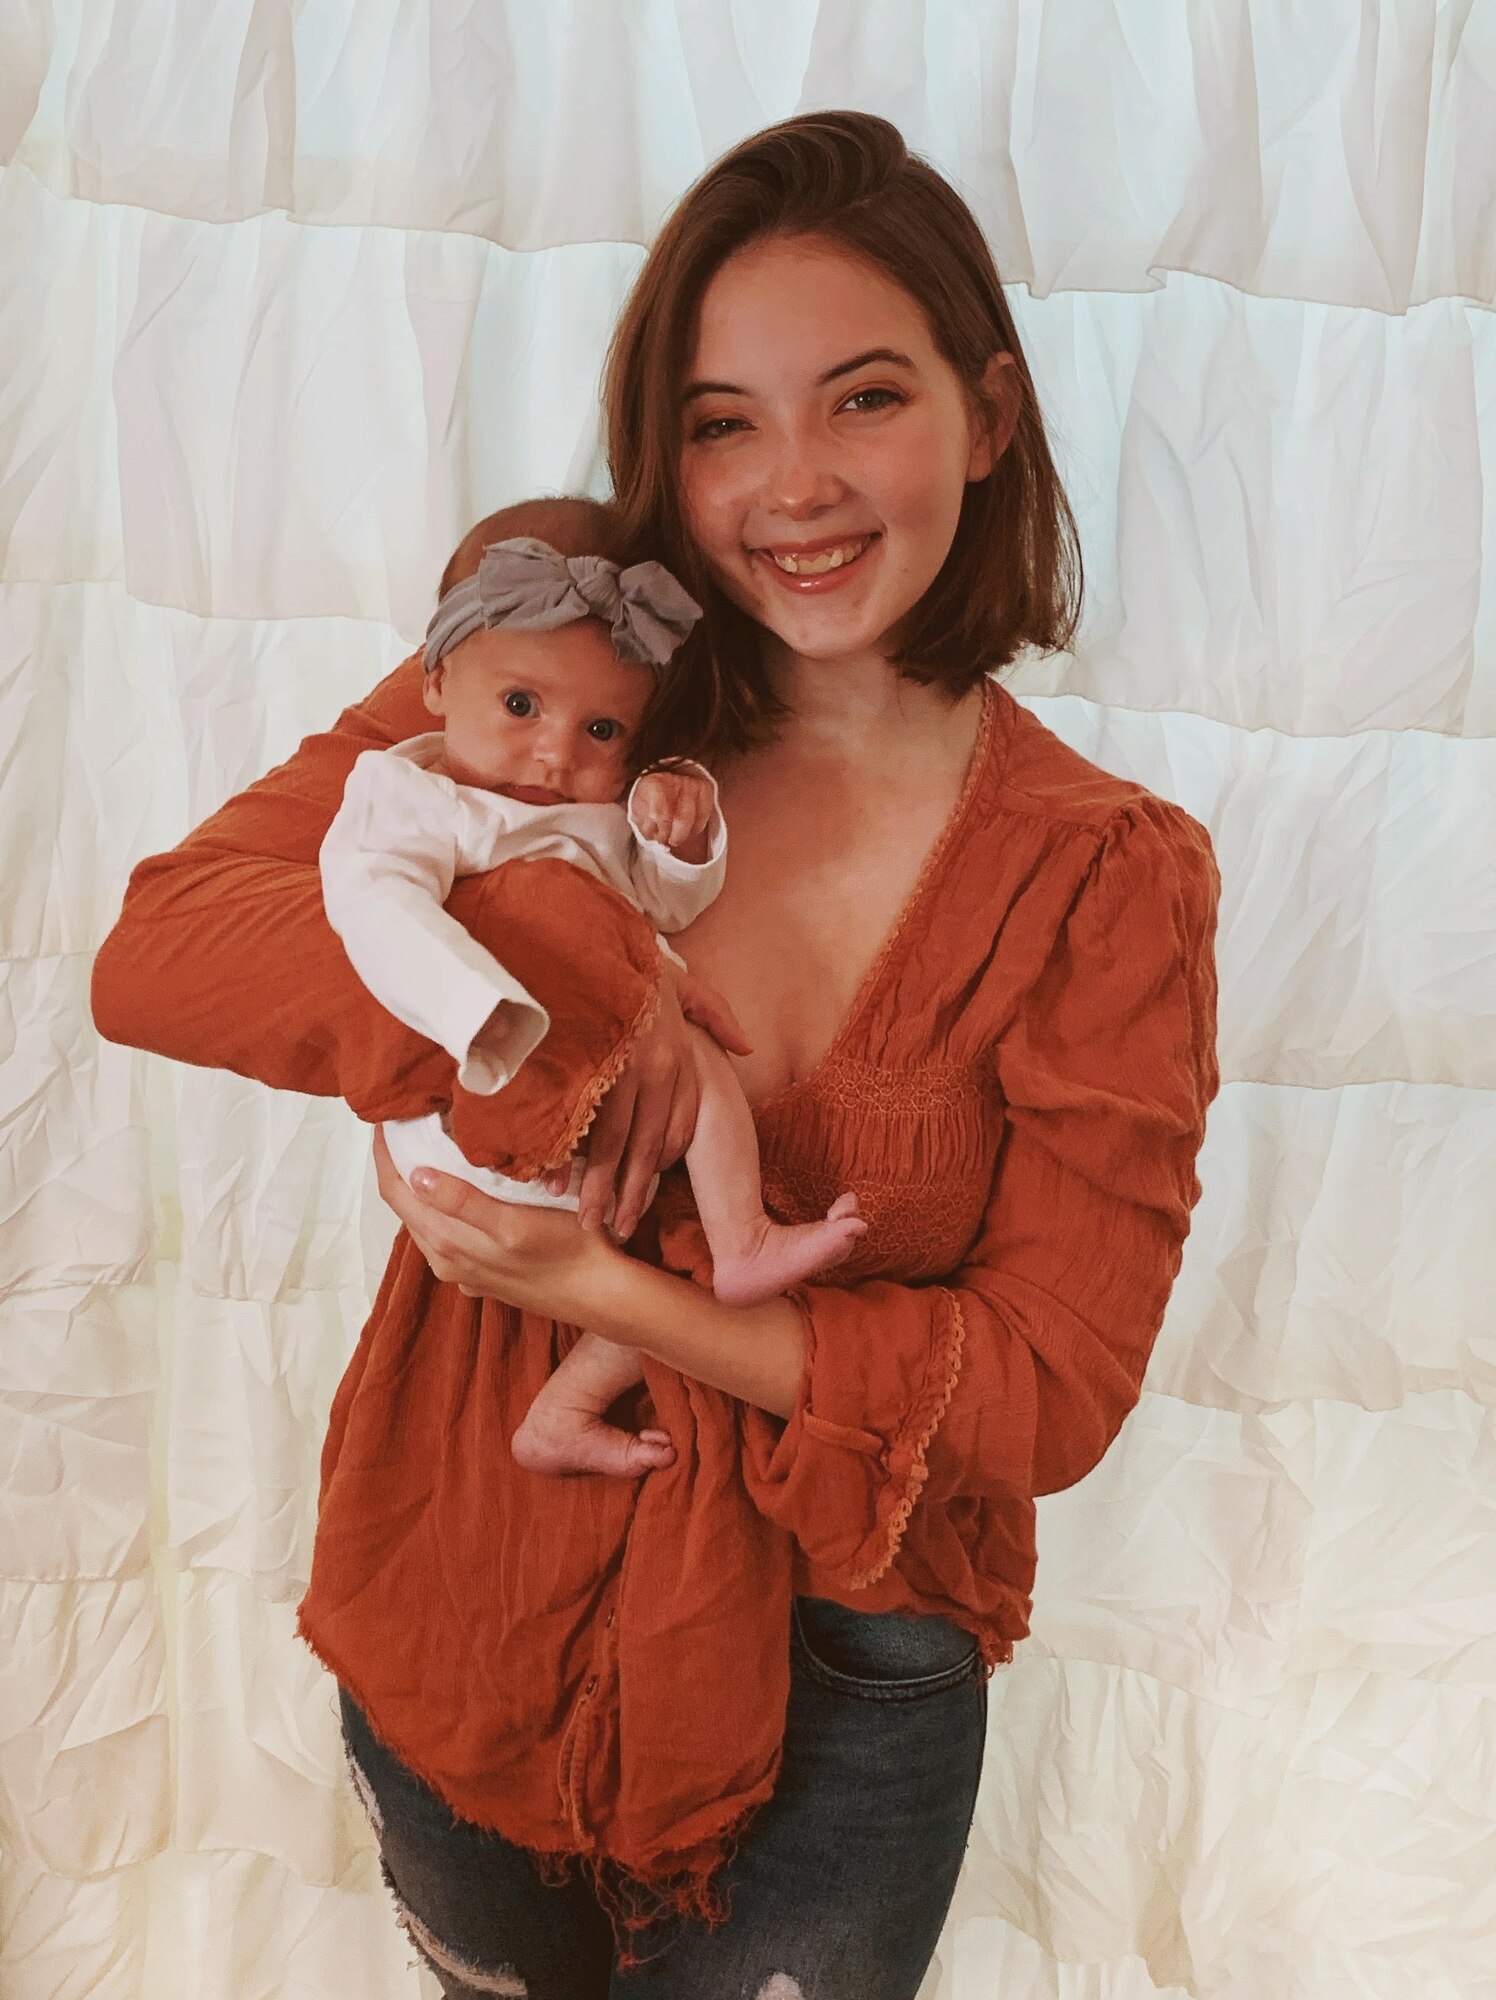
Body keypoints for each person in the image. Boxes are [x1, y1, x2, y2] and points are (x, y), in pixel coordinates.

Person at [91, 110, 1221, 2000]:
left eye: (863, 399)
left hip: (847, 1685)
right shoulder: (546, 702)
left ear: (992, 413)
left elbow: (1054, 1388)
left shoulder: (1101, 878)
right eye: (719, 423)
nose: (792, 484)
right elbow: (161, 955)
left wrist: (619, 1294)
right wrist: (572, 1031)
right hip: (465, 1583)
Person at [320, 496, 866, 1479]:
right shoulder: (414, 799)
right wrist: (479, 1009)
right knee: (669, 1155)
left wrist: (680, 836)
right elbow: (372, 903)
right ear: (437, 683)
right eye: (520, 705)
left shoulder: (590, 807)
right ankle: (730, 1241)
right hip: (484, 1099)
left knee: (671, 1279)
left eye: (601, 726)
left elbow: (663, 898)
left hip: (597, 1117)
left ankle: (572, 1400)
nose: (554, 753)